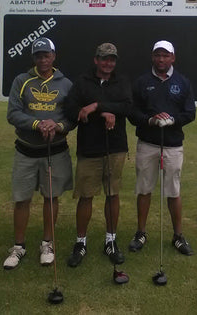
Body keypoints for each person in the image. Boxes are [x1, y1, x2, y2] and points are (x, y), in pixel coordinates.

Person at [3, 37, 74, 270]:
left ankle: (47, 243)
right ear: (33, 58)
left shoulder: (65, 84)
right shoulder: (22, 81)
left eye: (46, 55)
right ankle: (18, 246)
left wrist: (58, 126)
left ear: (54, 56)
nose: (43, 60)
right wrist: (38, 124)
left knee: (51, 197)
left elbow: (71, 117)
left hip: (55, 151)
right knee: (22, 199)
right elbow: (13, 113)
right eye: (38, 56)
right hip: (26, 151)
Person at [63, 43, 132, 268]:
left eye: (112, 59)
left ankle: (110, 241)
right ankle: (81, 242)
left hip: (115, 147)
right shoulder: (82, 82)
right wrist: (92, 111)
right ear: (96, 60)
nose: (108, 63)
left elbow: (128, 107)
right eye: (104, 59)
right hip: (89, 148)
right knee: (86, 196)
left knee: (112, 194)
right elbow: (71, 110)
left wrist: (97, 106)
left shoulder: (121, 81)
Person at [128, 40, 196, 255]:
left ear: (173, 58)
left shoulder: (183, 82)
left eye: (165, 55)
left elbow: (190, 113)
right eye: (157, 55)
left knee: (173, 191)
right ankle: (141, 233)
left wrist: (172, 120)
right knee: (144, 189)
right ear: (152, 57)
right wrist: (150, 120)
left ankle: (178, 236)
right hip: (147, 144)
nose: (161, 59)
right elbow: (133, 112)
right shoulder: (141, 82)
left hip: (173, 146)